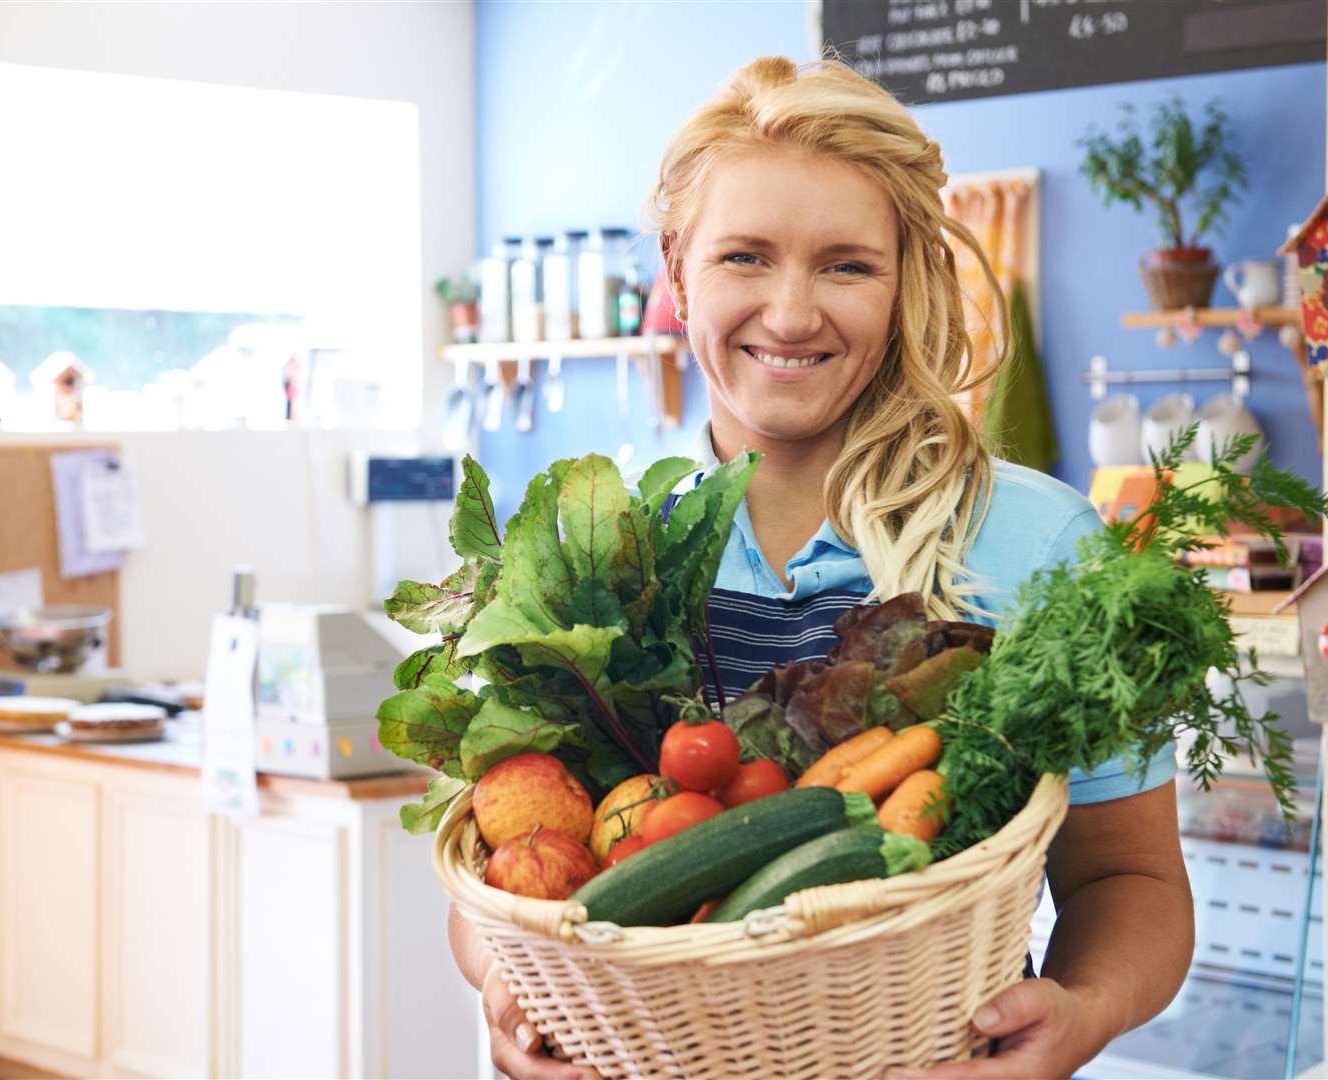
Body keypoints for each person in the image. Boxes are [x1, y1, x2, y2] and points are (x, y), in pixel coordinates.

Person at [448, 56, 1193, 1079]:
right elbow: (499, 873)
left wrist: (1083, 1009)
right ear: (675, 270)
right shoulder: (598, 549)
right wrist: (506, 987)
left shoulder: (1038, 541)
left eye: (845, 265)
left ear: (904, 281)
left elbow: (1132, 879)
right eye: (744, 258)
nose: (792, 315)